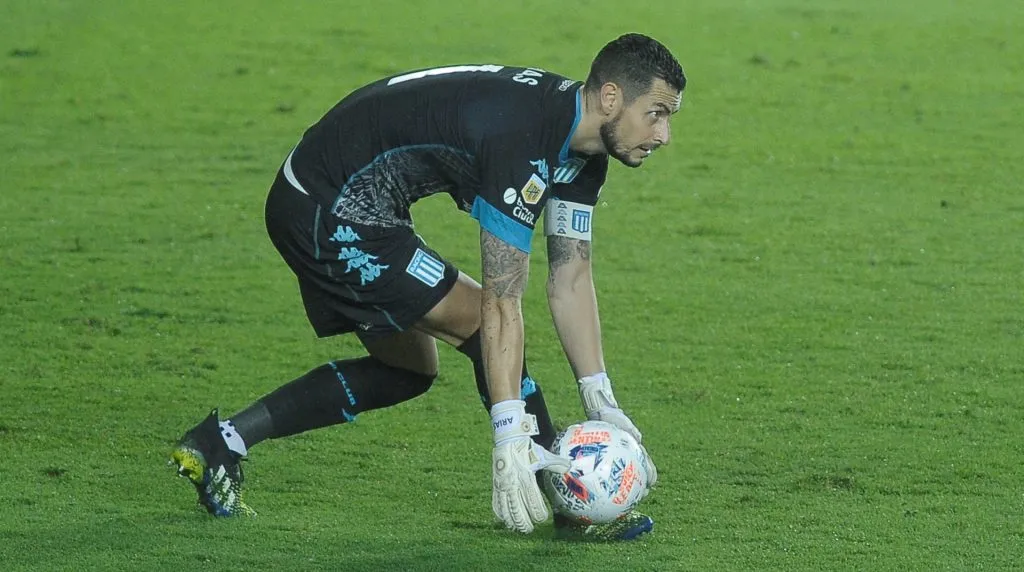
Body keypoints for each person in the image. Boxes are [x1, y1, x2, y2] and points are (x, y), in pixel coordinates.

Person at [171, 32, 686, 542]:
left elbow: (570, 277)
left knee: (408, 370)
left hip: (344, 200)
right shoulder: (522, 139)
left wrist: (598, 394)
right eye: (656, 114)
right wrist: (509, 434)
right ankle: (567, 499)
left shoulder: (583, 151)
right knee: (478, 326)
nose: (663, 135)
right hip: (327, 208)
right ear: (611, 97)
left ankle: (221, 442)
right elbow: (500, 302)